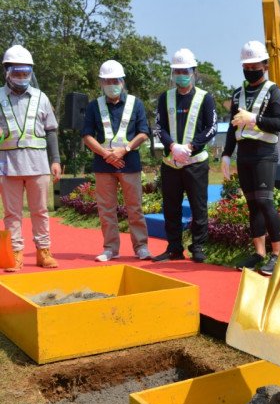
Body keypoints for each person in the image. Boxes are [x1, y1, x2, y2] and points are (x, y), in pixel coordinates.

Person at [221, 40, 280, 276]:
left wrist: (254, 119)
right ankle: (258, 253)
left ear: (265, 65)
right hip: (244, 155)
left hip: (264, 154)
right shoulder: (238, 93)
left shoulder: (273, 91)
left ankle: (278, 255)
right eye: (246, 67)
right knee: (252, 205)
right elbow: (231, 126)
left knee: (265, 201)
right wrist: (226, 154)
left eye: (254, 66)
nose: (250, 70)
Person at [81, 60, 151, 262]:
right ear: (102, 83)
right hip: (104, 165)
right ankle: (110, 248)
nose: (112, 84)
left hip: (130, 164)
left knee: (134, 207)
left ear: (122, 82)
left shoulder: (135, 104)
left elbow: (144, 132)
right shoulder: (95, 106)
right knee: (106, 209)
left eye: (115, 80)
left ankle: (141, 247)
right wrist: (106, 154)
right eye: (107, 80)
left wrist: (124, 150)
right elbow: (87, 135)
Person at [0, 45, 61, 271]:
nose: (22, 77)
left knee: (40, 211)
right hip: (7, 166)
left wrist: (55, 160)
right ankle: (15, 253)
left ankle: (43, 251)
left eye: (26, 73)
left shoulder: (41, 97)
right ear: (7, 71)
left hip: (38, 165)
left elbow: (51, 130)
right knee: (12, 214)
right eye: (17, 73)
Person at [152, 48, 217, 263]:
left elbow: (212, 127)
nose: (180, 74)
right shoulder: (165, 98)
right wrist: (172, 146)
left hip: (195, 162)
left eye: (185, 70)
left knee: (198, 207)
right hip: (171, 162)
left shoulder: (205, 98)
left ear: (193, 72)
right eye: (176, 71)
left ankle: (198, 247)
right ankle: (174, 248)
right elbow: (159, 126)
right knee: (171, 207)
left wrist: (191, 146)